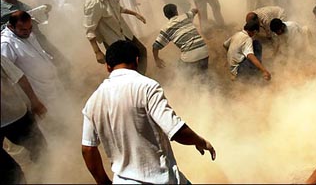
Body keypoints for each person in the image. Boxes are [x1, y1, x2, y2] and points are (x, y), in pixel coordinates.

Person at [81, 40, 216, 184]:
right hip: (160, 179)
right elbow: (176, 130)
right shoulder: (147, 87)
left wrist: (104, 182)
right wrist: (201, 142)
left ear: (108, 67)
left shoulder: (93, 102)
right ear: (137, 61)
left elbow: (88, 149)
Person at [0, 0, 73, 83]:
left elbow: (36, 19)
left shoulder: (21, 5)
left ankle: (70, 88)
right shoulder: (2, 10)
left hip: (39, 39)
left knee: (62, 62)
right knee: (42, 73)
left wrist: (44, 12)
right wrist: (14, 23)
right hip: (23, 46)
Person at [83, 0, 148, 73]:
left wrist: (135, 14)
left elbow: (119, 9)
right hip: (112, 40)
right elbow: (89, 30)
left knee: (141, 51)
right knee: (123, 66)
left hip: (125, 33)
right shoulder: (93, 4)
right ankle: (130, 84)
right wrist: (97, 52)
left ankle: (140, 77)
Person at [1, 11, 64, 115]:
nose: (28, 31)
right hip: (39, 94)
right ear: (11, 27)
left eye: (30, 28)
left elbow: (38, 53)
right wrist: (33, 101)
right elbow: (10, 76)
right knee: (52, 123)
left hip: (52, 86)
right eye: (23, 29)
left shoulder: (27, 34)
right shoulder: (6, 44)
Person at [1, 56, 48, 184]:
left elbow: (18, 76)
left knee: (40, 149)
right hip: (11, 118)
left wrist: (34, 101)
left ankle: (52, 175)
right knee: (7, 170)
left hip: (15, 116)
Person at [152, 4, 209, 73]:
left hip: (190, 56)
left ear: (165, 15)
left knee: (180, 71)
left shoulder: (166, 28)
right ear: (176, 12)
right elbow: (194, 10)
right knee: (204, 74)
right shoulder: (185, 16)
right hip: (204, 51)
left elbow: (155, 46)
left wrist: (156, 59)